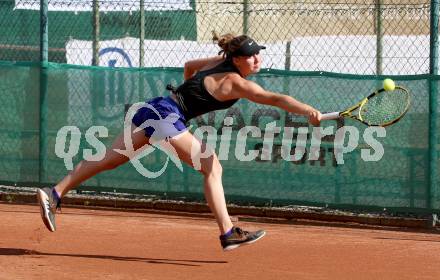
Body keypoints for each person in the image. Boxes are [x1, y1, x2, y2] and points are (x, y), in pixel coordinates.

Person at [37, 32, 322, 251]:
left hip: (157, 108)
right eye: (251, 56)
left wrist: (187, 103)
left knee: (110, 159)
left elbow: (189, 67)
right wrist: (308, 110)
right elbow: (275, 99)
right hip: (165, 116)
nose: (257, 59)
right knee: (212, 167)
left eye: (258, 54)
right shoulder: (237, 83)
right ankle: (227, 233)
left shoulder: (216, 62)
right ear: (236, 59)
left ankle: (54, 193)